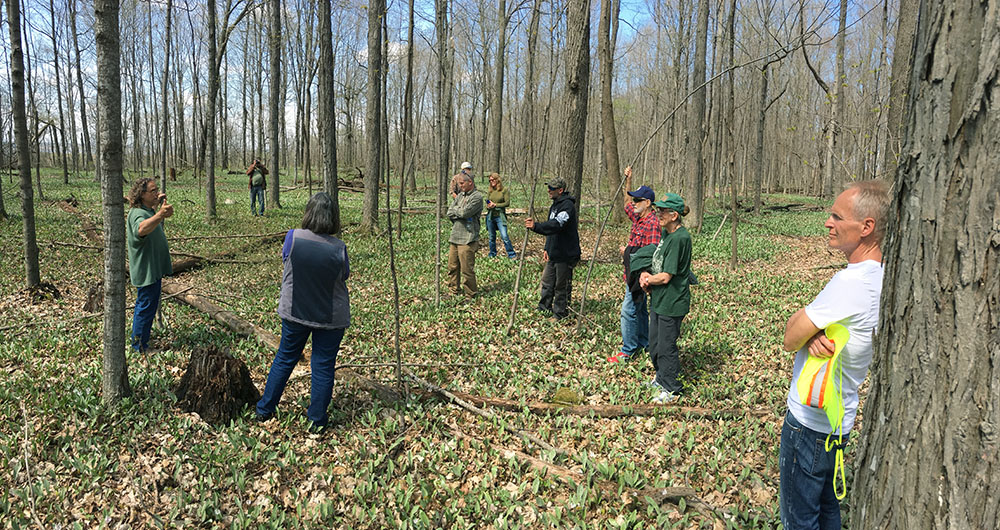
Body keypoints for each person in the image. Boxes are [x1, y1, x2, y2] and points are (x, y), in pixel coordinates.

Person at [778, 181, 888, 530]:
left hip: (809, 423)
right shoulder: (883, 277)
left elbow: (790, 337)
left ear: (866, 227)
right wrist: (816, 335)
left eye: (837, 217)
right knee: (827, 510)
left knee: (800, 519)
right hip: (840, 420)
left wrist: (807, 331)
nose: (828, 223)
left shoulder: (849, 283)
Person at [255, 192, 350, 434]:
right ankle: (316, 420)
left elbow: (286, 260)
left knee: (285, 358)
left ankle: (264, 410)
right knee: (323, 366)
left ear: (308, 213)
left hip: (295, 311)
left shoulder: (292, 237)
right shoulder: (339, 248)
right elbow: (344, 275)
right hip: (330, 315)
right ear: (333, 218)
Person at [635, 193, 692, 404]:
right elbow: (657, 263)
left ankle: (672, 388)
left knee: (667, 346)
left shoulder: (680, 238)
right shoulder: (667, 234)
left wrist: (650, 279)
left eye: (662, 211)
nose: (658, 214)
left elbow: (667, 276)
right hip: (659, 300)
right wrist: (645, 274)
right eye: (658, 210)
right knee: (655, 343)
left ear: (674, 215)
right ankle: (661, 379)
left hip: (672, 302)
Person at [609, 165, 660, 363]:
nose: (635, 203)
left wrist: (627, 252)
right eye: (635, 199)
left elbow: (652, 254)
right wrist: (628, 180)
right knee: (638, 309)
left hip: (641, 275)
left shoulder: (652, 223)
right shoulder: (639, 217)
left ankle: (627, 351)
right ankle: (644, 344)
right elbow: (626, 204)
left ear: (648, 203)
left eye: (639, 199)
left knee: (628, 311)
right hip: (630, 273)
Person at [126, 177, 174, 353]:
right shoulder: (138, 213)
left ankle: (141, 341)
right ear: (142, 194)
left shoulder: (146, 209)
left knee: (149, 305)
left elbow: (149, 215)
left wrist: (156, 204)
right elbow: (141, 229)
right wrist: (160, 214)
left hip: (152, 269)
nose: (156, 193)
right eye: (152, 191)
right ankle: (139, 347)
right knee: (145, 307)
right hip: (145, 270)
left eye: (157, 190)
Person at [525, 176, 580, 320]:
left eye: (552, 189)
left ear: (560, 190)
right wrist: (547, 248)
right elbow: (552, 231)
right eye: (548, 188)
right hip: (554, 252)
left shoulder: (567, 206)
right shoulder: (555, 205)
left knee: (561, 286)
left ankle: (560, 313)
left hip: (566, 253)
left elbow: (556, 225)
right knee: (547, 282)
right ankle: (544, 308)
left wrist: (536, 226)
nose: (548, 191)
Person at [446, 172, 484, 298]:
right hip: (455, 235)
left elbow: (465, 213)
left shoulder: (477, 197)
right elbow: (449, 212)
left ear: (470, 183)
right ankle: (454, 290)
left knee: (466, 269)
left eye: (462, 183)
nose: (460, 185)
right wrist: (458, 211)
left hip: (468, 238)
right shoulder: (460, 195)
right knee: (452, 266)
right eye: (459, 183)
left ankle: (471, 293)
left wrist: (457, 212)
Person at [484, 172, 517, 259]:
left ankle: (511, 254)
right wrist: (488, 205)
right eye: (490, 180)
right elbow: (487, 201)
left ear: (497, 180)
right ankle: (492, 253)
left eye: (493, 180)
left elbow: (507, 203)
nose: (491, 182)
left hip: (500, 216)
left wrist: (496, 205)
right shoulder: (490, 191)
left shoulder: (504, 190)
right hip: (490, 216)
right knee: (491, 237)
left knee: (504, 236)